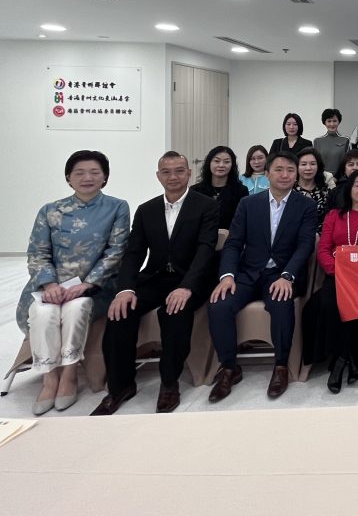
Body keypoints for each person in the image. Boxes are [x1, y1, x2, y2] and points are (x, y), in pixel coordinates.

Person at [92, 152, 220, 415]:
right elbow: (134, 253)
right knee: (119, 313)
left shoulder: (206, 206)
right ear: (158, 175)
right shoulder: (146, 210)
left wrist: (186, 287)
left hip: (191, 279)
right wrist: (125, 289)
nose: (173, 177)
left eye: (179, 170)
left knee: (174, 313)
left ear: (189, 173)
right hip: (155, 277)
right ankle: (120, 386)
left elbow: (205, 250)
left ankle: (169, 383)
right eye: (166, 172)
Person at [18, 150, 130, 416]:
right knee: (44, 313)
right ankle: (49, 378)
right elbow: (37, 253)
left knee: (76, 309)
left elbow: (116, 251)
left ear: (104, 177)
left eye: (94, 172)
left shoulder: (117, 207)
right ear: (68, 178)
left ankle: (69, 374)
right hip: (51, 287)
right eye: (79, 172)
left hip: (95, 287)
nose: (87, 177)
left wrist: (87, 284)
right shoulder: (50, 210)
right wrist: (49, 285)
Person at [206, 151, 317, 402]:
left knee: (281, 302)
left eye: (290, 170)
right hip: (248, 273)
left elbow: (305, 245)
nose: (285, 174)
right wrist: (227, 276)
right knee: (219, 304)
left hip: (281, 274)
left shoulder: (306, 206)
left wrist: (287, 276)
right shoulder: (248, 204)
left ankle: (281, 366)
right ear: (267, 174)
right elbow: (234, 243)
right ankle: (229, 367)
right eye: (278, 169)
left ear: (296, 174)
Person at [305, 171, 358, 392]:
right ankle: (348, 357)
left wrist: (356, 274)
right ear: (349, 189)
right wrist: (336, 271)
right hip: (336, 276)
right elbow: (324, 249)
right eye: (357, 185)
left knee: (354, 303)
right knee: (329, 304)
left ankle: (341, 360)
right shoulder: (334, 215)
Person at [192, 145, 249, 230]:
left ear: (232, 165)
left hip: (231, 236)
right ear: (209, 163)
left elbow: (243, 221)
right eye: (217, 161)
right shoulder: (195, 190)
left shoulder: (241, 191)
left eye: (226, 162)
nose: (221, 165)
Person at [294, 147, 334, 232]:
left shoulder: (326, 191)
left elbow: (331, 219)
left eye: (312, 164)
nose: (308, 168)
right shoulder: (289, 191)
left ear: (318, 166)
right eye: (303, 164)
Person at [313, 108, 350, 178]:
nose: (332, 124)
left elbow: (348, 162)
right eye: (329, 121)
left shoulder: (346, 140)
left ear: (339, 122)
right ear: (324, 123)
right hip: (323, 179)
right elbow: (316, 163)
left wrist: (337, 178)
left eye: (334, 121)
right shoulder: (317, 141)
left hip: (341, 179)